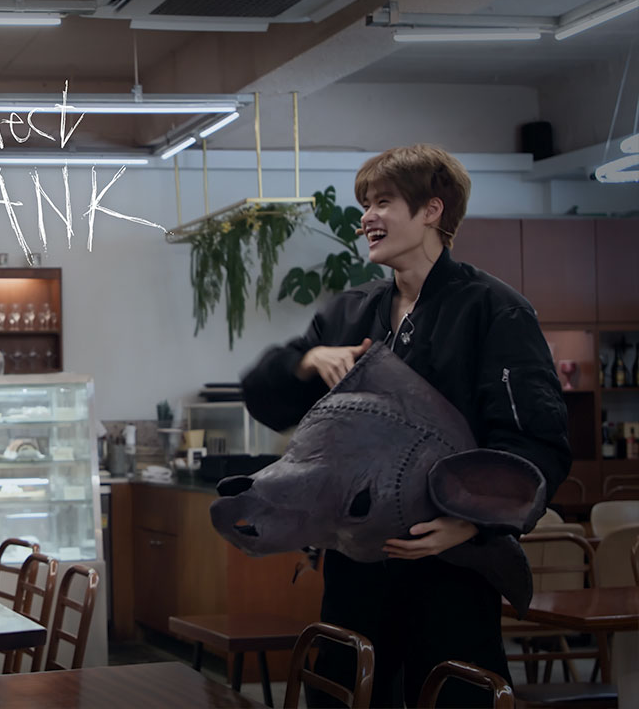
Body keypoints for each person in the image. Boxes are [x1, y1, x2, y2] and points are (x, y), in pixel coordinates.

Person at [240, 144, 570, 708]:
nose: (366, 217)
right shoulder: (349, 312)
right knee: (343, 695)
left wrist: (471, 525)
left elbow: (536, 444)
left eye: (383, 202)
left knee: (450, 695)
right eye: (365, 204)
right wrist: (308, 360)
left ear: (432, 211)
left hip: (450, 577)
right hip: (355, 577)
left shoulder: (495, 311)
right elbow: (265, 394)